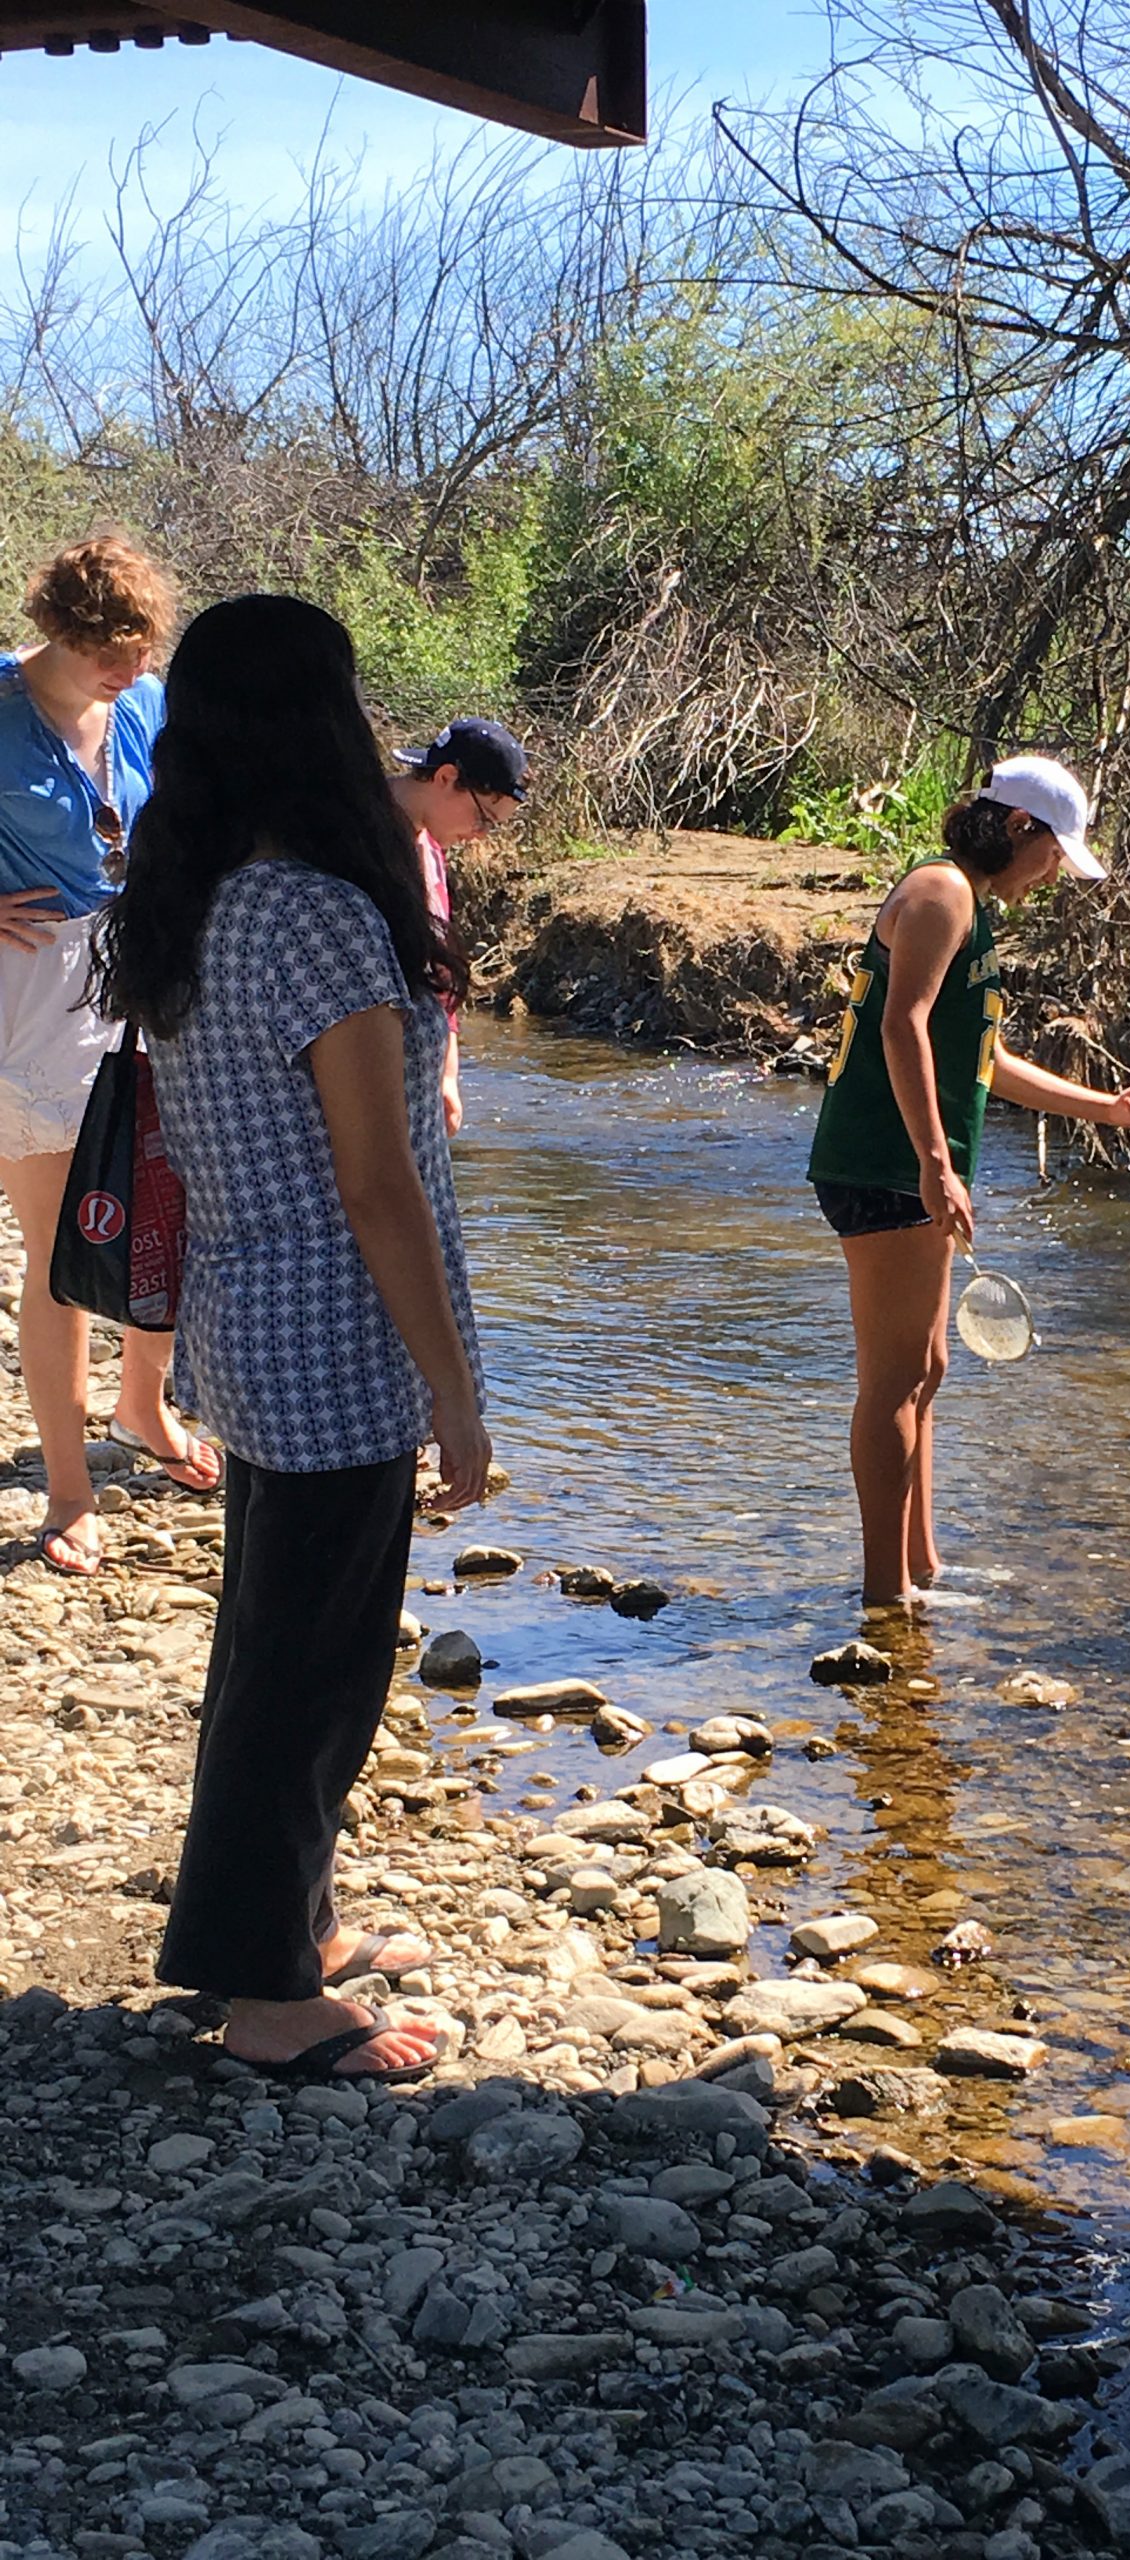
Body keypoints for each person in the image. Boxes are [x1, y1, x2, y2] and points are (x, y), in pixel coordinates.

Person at [95, 594, 489, 2084]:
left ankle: (280, 1929)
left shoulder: (192, 897)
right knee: (308, 1673)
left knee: (273, 1647)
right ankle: (264, 1993)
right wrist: (458, 1394)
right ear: (319, 721)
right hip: (335, 1335)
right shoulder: (321, 910)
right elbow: (379, 1186)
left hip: (240, 1321)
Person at [808, 753, 1130, 1609]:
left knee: (927, 1368)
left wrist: (1109, 1109)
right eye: (1054, 853)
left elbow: (986, 1059)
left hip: (909, 1161)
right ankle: (883, 1594)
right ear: (1019, 828)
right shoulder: (942, 894)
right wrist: (937, 1165)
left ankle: (921, 1567)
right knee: (896, 1378)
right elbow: (902, 1029)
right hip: (885, 1159)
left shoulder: (972, 909)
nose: (1055, 873)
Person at [0, 533, 222, 1573]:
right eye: (112, 656)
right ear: (59, 632)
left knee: (158, 1212)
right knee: (57, 1257)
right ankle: (68, 1491)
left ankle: (145, 1403)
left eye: (142, 651)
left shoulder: (147, 701)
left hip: (144, 979)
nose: (132, 674)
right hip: (29, 1000)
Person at [390, 716, 529, 1135]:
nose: (481, 835)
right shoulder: (353, 835)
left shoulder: (429, 847)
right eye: (483, 818)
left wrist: (448, 1073)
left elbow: (440, 972)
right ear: (446, 777)